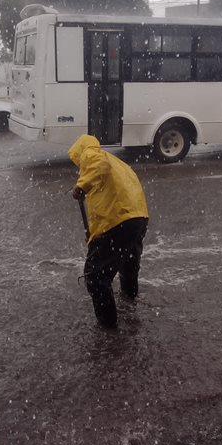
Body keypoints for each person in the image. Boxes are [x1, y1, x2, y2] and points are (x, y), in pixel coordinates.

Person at [68, 135, 149, 328]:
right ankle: (130, 302)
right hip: (137, 218)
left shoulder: (91, 153)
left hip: (117, 220)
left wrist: (81, 186)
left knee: (96, 276)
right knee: (128, 263)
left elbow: (99, 165)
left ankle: (108, 328)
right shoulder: (119, 163)